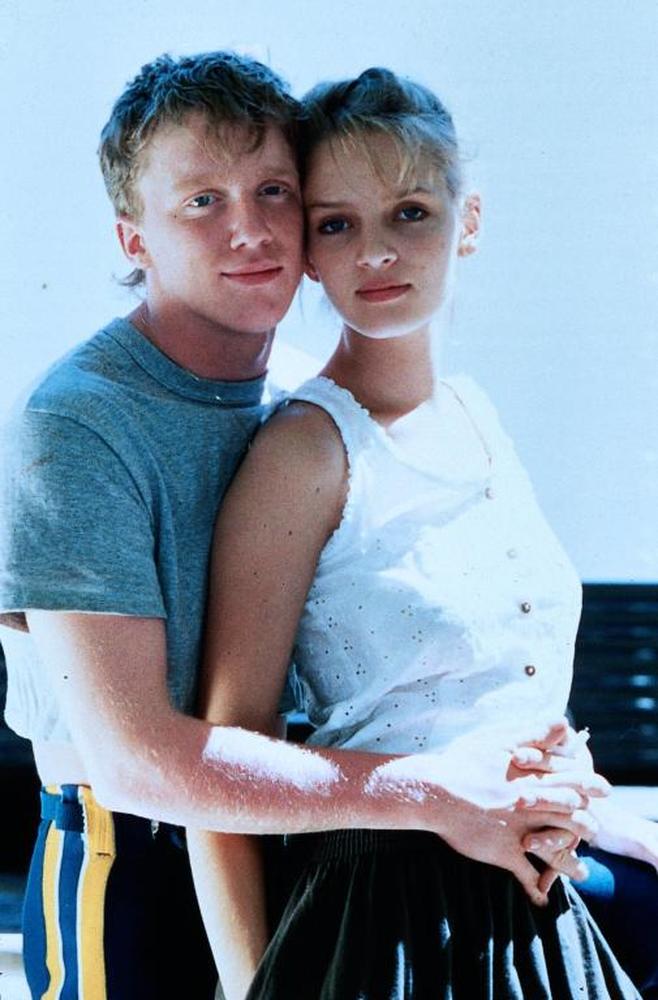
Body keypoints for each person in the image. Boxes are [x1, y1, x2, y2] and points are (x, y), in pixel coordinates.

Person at [0, 53, 599, 1000]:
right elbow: (137, 765)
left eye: (273, 190)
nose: (250, 229)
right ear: (133, 237)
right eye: (202, 201)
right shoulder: (79, 424)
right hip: (135, 862)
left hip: (319, 840)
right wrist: (430, 792)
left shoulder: (296, 407)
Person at [186, 68, 644, 999]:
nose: (376, 253)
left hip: (532, 912)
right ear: (307, 252)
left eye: (411, 213)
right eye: (337, 224)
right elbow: (222, 764)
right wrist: (251, 987)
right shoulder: (304, 452)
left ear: (468, 221)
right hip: (385, 921)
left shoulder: (478, 416)